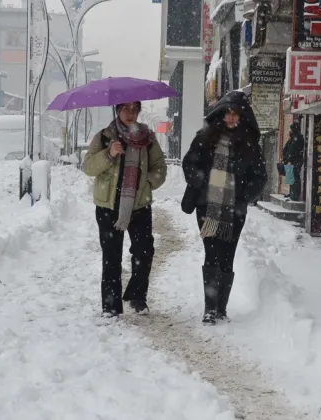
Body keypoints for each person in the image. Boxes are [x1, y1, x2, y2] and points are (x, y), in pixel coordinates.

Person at [182, 91, 267, 325]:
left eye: (236, 114)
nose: (231, 118)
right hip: (206, 207)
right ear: (221, 114)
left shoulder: (250, 145)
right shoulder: (204, 137)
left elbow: (260, 177)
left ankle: (221, 308)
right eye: (228, 113)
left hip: (234, 210)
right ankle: (210, 309)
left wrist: (243, 195)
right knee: (212, 254)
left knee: (227, 256)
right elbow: (189, 164)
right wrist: (202, 181)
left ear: (242, 117)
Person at [82, 101, 168, 317]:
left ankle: (137, 297)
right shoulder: (104, 137)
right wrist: (109, 154)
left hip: (138, 206)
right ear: (117, 110)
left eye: (134, 109)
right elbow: (88, 167)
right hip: (108, 207)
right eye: (126, 109)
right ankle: (111, 306)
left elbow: (160, 168)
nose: (130, 113)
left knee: (144, 252)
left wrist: (147, 184)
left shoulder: (147, 138)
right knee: (111, 257)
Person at [282, 121, 305, 202]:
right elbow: (287, 148)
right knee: (291, 178)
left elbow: (293, 150)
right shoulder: (293, 137)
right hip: (290, 160)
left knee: (295, 177)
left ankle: (294, 195)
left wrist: (290, 160)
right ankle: (291, 193)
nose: (290, 131)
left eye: (291, 129)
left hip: (294, 161)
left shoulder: (297, 137)